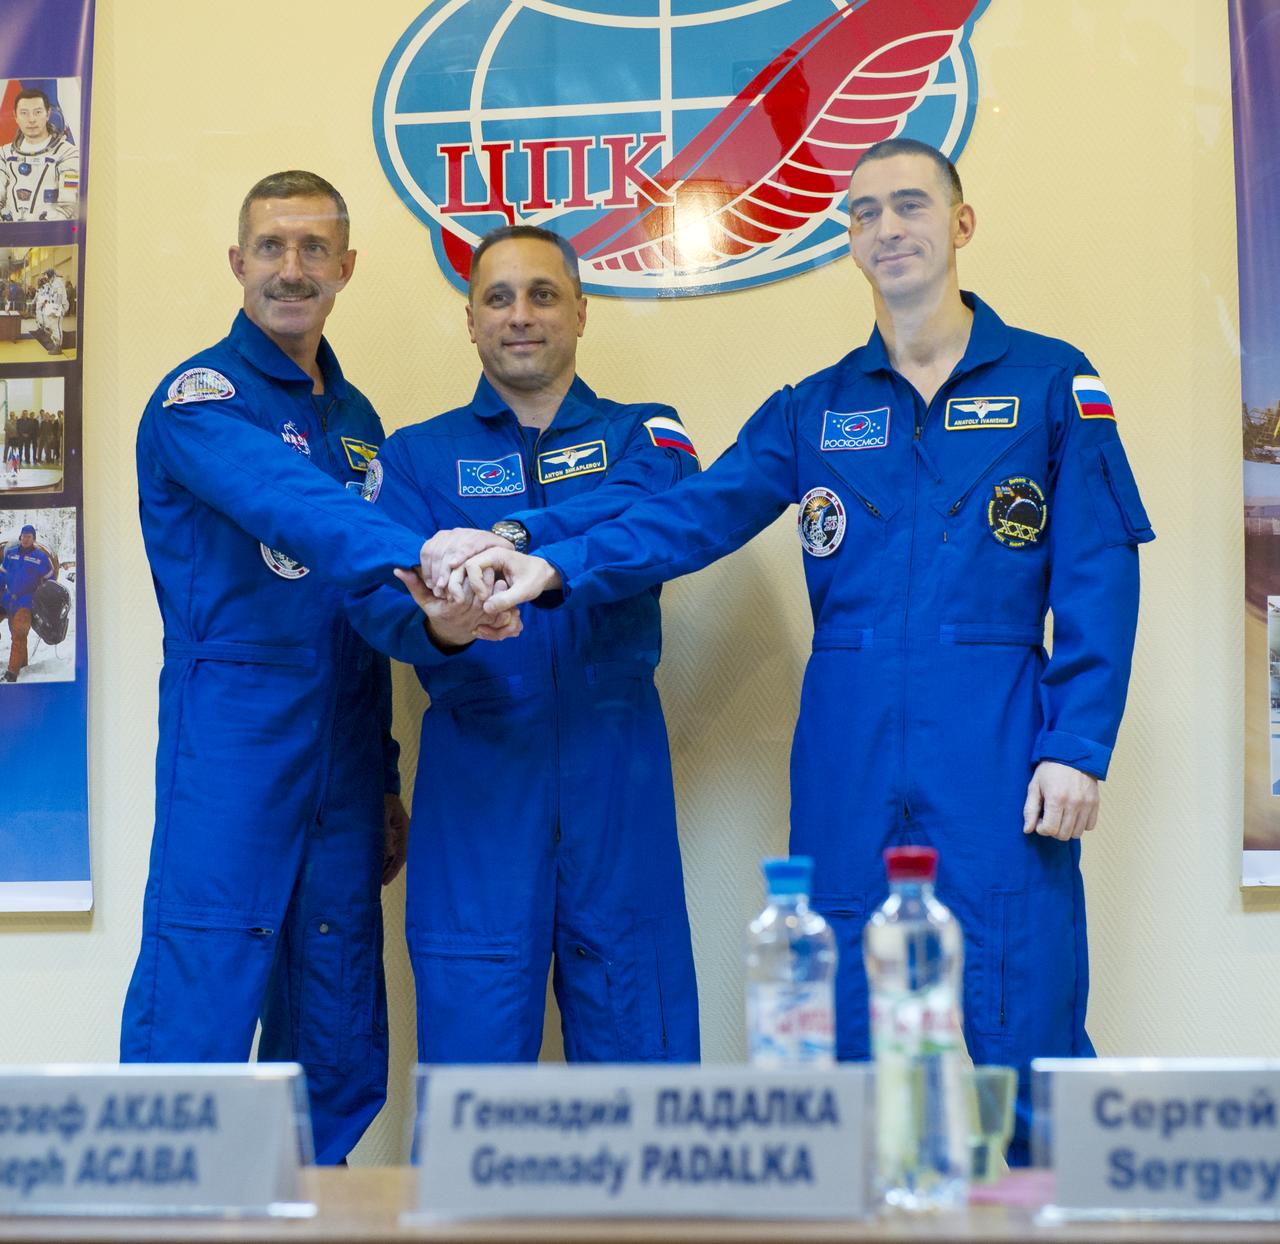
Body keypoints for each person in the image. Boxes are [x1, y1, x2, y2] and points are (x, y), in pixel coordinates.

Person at [456, 141, 1155, 1159]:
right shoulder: (816, 407)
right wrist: (551, 565)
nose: (888, 229)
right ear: (848, 240)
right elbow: (690, 514)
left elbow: (1098, 568)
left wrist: (1075, 741)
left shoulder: (1053, 384)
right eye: (864, 212)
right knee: (839, 1026)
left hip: (997, 741)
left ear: (959, 225)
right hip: (846, 750)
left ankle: (1048, 1214)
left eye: (909, 206)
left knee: (1026, 1012)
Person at [118, 170, 499, 1164]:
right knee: (203, 987)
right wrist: (416, 549)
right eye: (272, 247)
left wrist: (443, 634)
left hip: (342, 747)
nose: (292, 268)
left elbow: (369, 610)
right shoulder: (199, 400)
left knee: (334, 1018)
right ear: (238, 264)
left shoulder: (357, 416)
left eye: (313, 249)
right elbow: (290, 503)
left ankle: (310, 1199)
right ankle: (164, 1217)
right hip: (234, 738)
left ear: (345, 268)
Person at [346, 224, 701, 1065]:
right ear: (470, 321)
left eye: (543, 294)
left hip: (618, 773)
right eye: (498, 298)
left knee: (639, 1053)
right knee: (473, 1060)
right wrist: (439, 626)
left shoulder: (647, 437)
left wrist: (513, 534)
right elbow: (366, 595)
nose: (521, 316)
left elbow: (667, 514)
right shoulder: (415, 457)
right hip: (479, 778)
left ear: (580, 311)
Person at [0, 88, 79, 223]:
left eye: (38, 112)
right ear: (15, 116)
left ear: (48, 114)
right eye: (24, 113)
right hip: (9, 239)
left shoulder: (68, 153)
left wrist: (42, 232)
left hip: (50, 237)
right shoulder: (4, 154)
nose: (31, 119)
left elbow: (68, 205)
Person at [1, 523, 53, 681]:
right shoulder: (10, 554)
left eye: (29, 537)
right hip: (10, 599)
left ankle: (12, 673)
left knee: (19, 633)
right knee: (15, 635)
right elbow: (2, 574)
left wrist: (42, 598)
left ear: (33, 539)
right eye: (23, 536)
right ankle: (22, 666)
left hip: (27, 601)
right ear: (20, 537)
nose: (25, 539)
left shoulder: (41, 558)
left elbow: (49, 580)